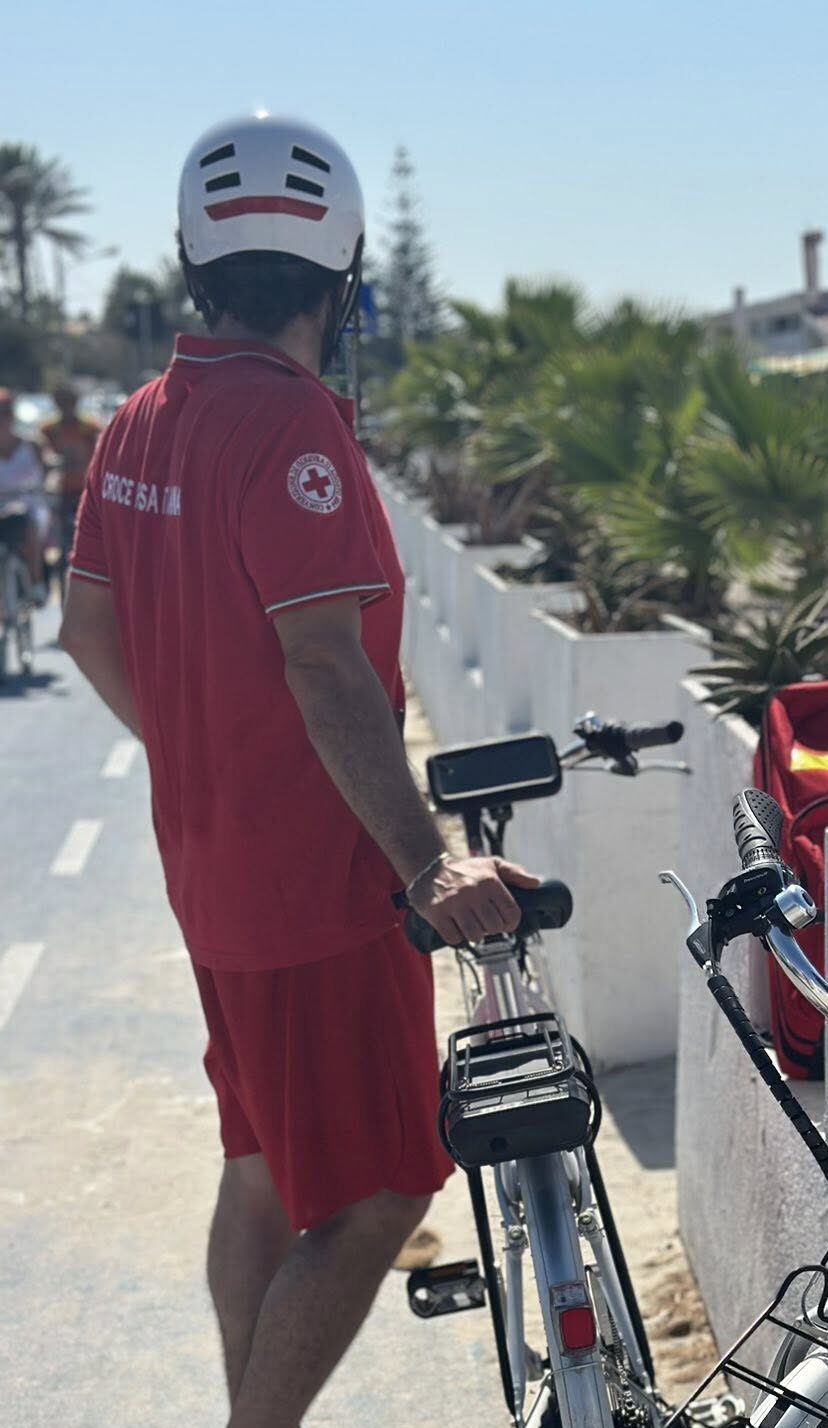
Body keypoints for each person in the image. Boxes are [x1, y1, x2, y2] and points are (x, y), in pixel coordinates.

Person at [59, 113, 534, 1428]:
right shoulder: (293, 430)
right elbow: (325, 666)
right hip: (316, 889)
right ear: (343, 278)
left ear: (191, 260)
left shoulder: (139, 421)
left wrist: (197, 746)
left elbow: (87, 627)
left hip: (209, 871)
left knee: (262, 1162)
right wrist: (428, 862)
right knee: (386, 1187)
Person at [38, 382, 101, 578]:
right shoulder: (48, 429)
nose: (66, 406)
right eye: (61, 402)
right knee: (47, 531)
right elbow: (41, 455)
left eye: (69, 401)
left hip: (85, 491)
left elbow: (102, 452)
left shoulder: (90, 427)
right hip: (58, 491)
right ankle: (45, 572)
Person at [0, 390, 49, 599]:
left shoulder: (32, 444)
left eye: (6, 413)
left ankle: (36, 580)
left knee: (31, 526)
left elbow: (49, 469)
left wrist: (50, 483)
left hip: (29, 503)